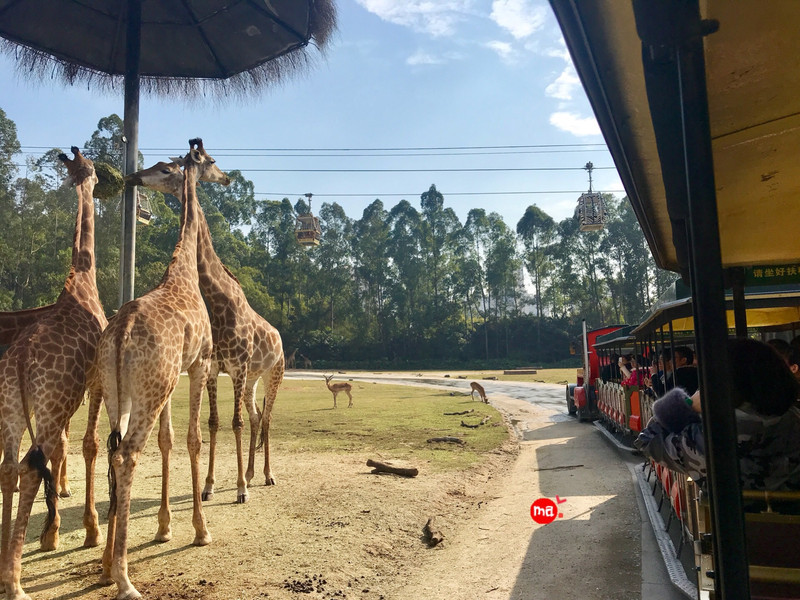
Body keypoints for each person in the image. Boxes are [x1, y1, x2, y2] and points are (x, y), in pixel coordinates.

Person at [635, 338, 800, 491]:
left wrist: (688, 404)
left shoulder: (719, 433)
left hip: (742, 520)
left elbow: (648, 440)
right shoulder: (792, 416)